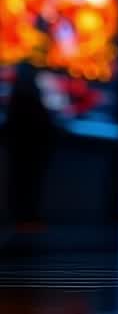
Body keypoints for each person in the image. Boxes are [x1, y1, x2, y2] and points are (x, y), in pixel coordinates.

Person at [2, 66, 55, 227]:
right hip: (30, 156)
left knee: (22, 186)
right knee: (28, 187)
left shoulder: (18, 104)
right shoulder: (33, 105)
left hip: (23, 156)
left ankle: (22, 217)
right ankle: (26, 217)